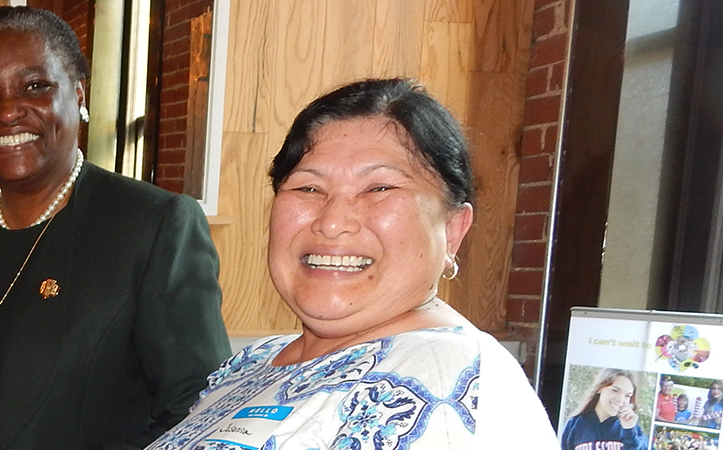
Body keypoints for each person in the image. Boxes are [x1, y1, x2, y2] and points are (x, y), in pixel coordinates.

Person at [146, 78, 557, 449]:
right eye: (308, 187)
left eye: (379, 187)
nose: (332, 222)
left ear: (453, 229)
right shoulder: (257, 361)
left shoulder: (447, 374)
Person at [0, 7, 230, 450]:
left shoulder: (150, 228)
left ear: (79, 94)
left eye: (35, 86)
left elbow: (199, 408)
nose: (8, 111)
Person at [560, 369, 649, 450]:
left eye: (627, 395)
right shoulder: (575, 424)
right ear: (600, 388)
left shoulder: (634, 430)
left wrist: (629, 431)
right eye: (615, 390)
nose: (621, 400)